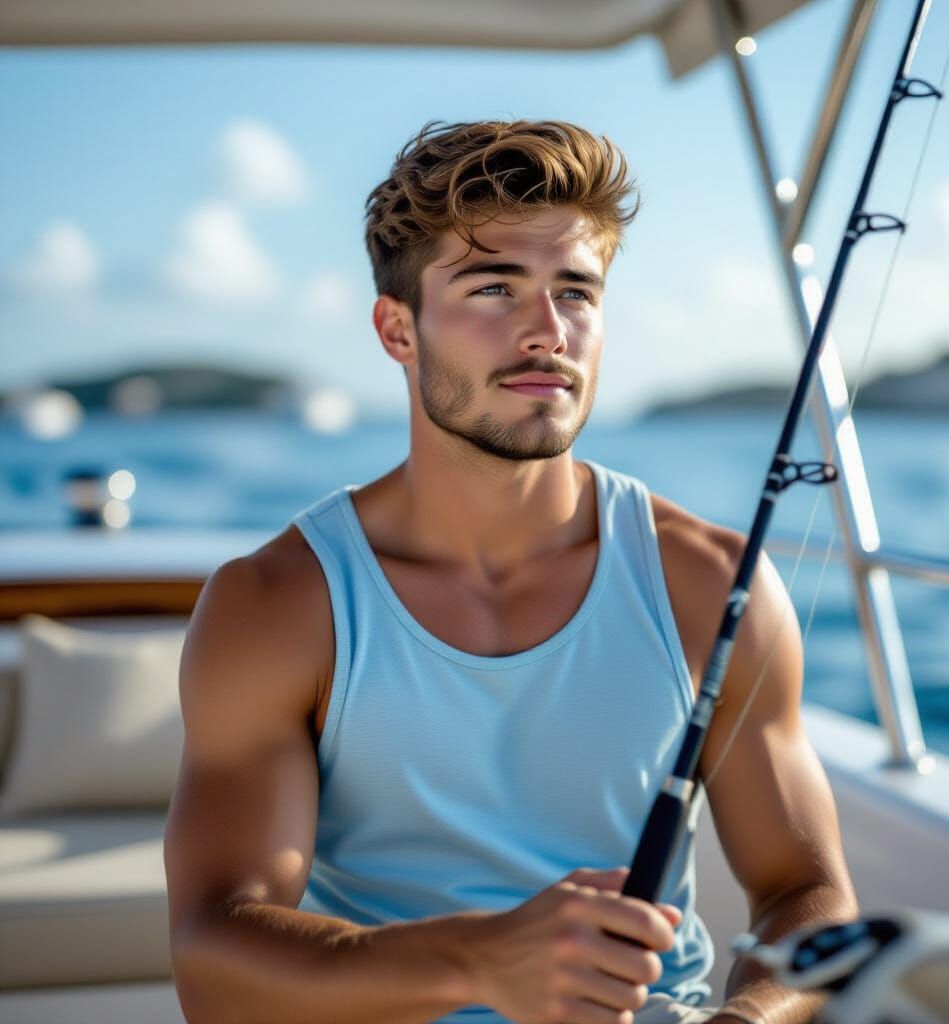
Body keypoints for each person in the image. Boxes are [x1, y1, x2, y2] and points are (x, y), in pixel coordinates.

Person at [165, 120, 858, 1024]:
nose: (546, 331)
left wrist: (746, 1020)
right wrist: (482, 963)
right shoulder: (277, 603)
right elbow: (214, 965)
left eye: (576, 291)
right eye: (493, 288)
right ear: (397, 330)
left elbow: (804, 890)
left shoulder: (708, 582)